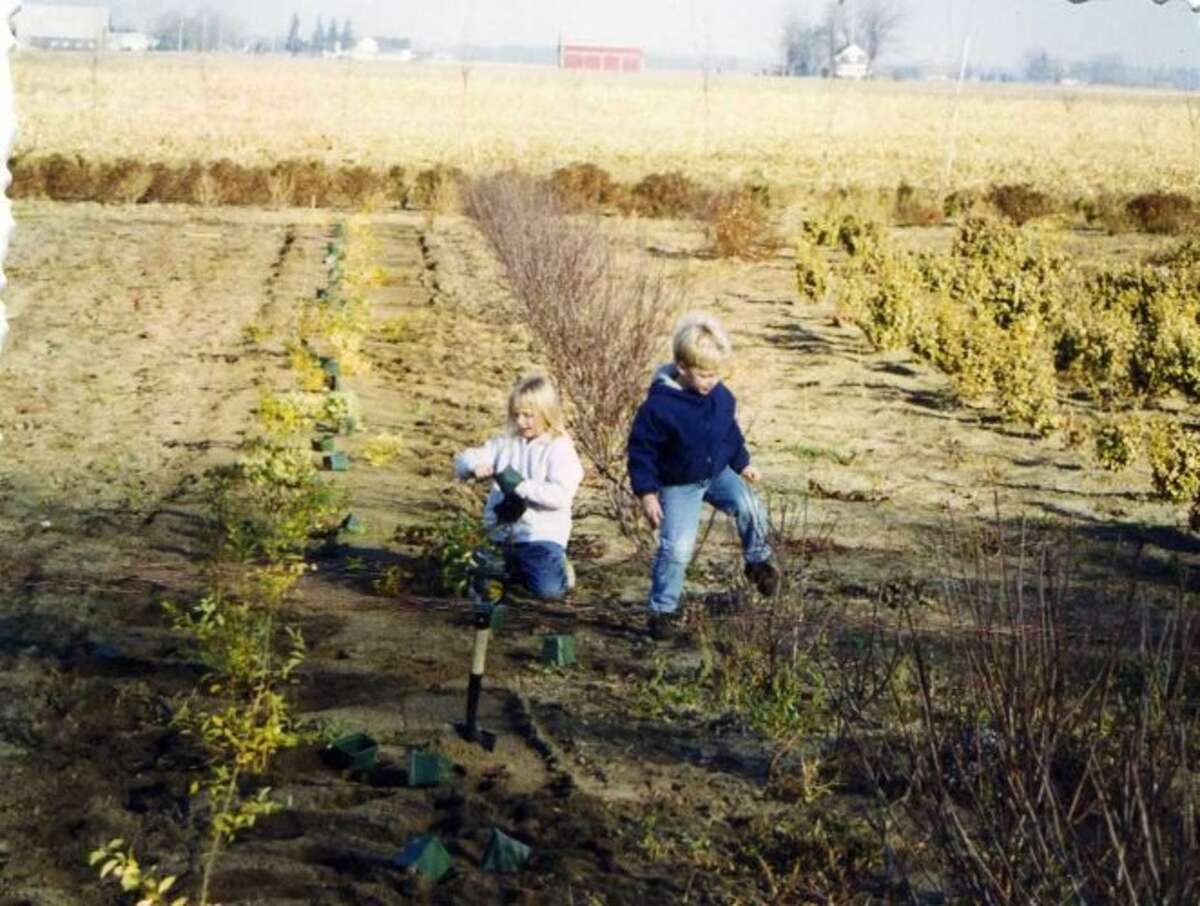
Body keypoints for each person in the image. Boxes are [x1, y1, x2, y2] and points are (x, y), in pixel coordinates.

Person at [628, 312, 778, 640]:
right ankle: (662, 611)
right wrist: (647, 493)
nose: (711, 381)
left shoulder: (720, 397)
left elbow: (729, 432)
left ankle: (758, 562)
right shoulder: (659, 407)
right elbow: (642, 451)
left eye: (715, 374)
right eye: (703, 374)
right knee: (677, 547)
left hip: (717, 472)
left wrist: (742, 463)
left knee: (749, 504)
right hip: (679, 483)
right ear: (682, 367)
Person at [454, 374, 583, 600]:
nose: (521, 422)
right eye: (517, 415)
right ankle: (507, 572)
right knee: (477, 584)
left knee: (548, 591)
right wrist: (474, 466)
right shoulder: (505, 443)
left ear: (546, 413)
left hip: (539, 538)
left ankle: (560, 570)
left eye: (528, 416)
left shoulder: (560, 449)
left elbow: (561, 495)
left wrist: (521, 487)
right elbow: (463, 459)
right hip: (500, 535)